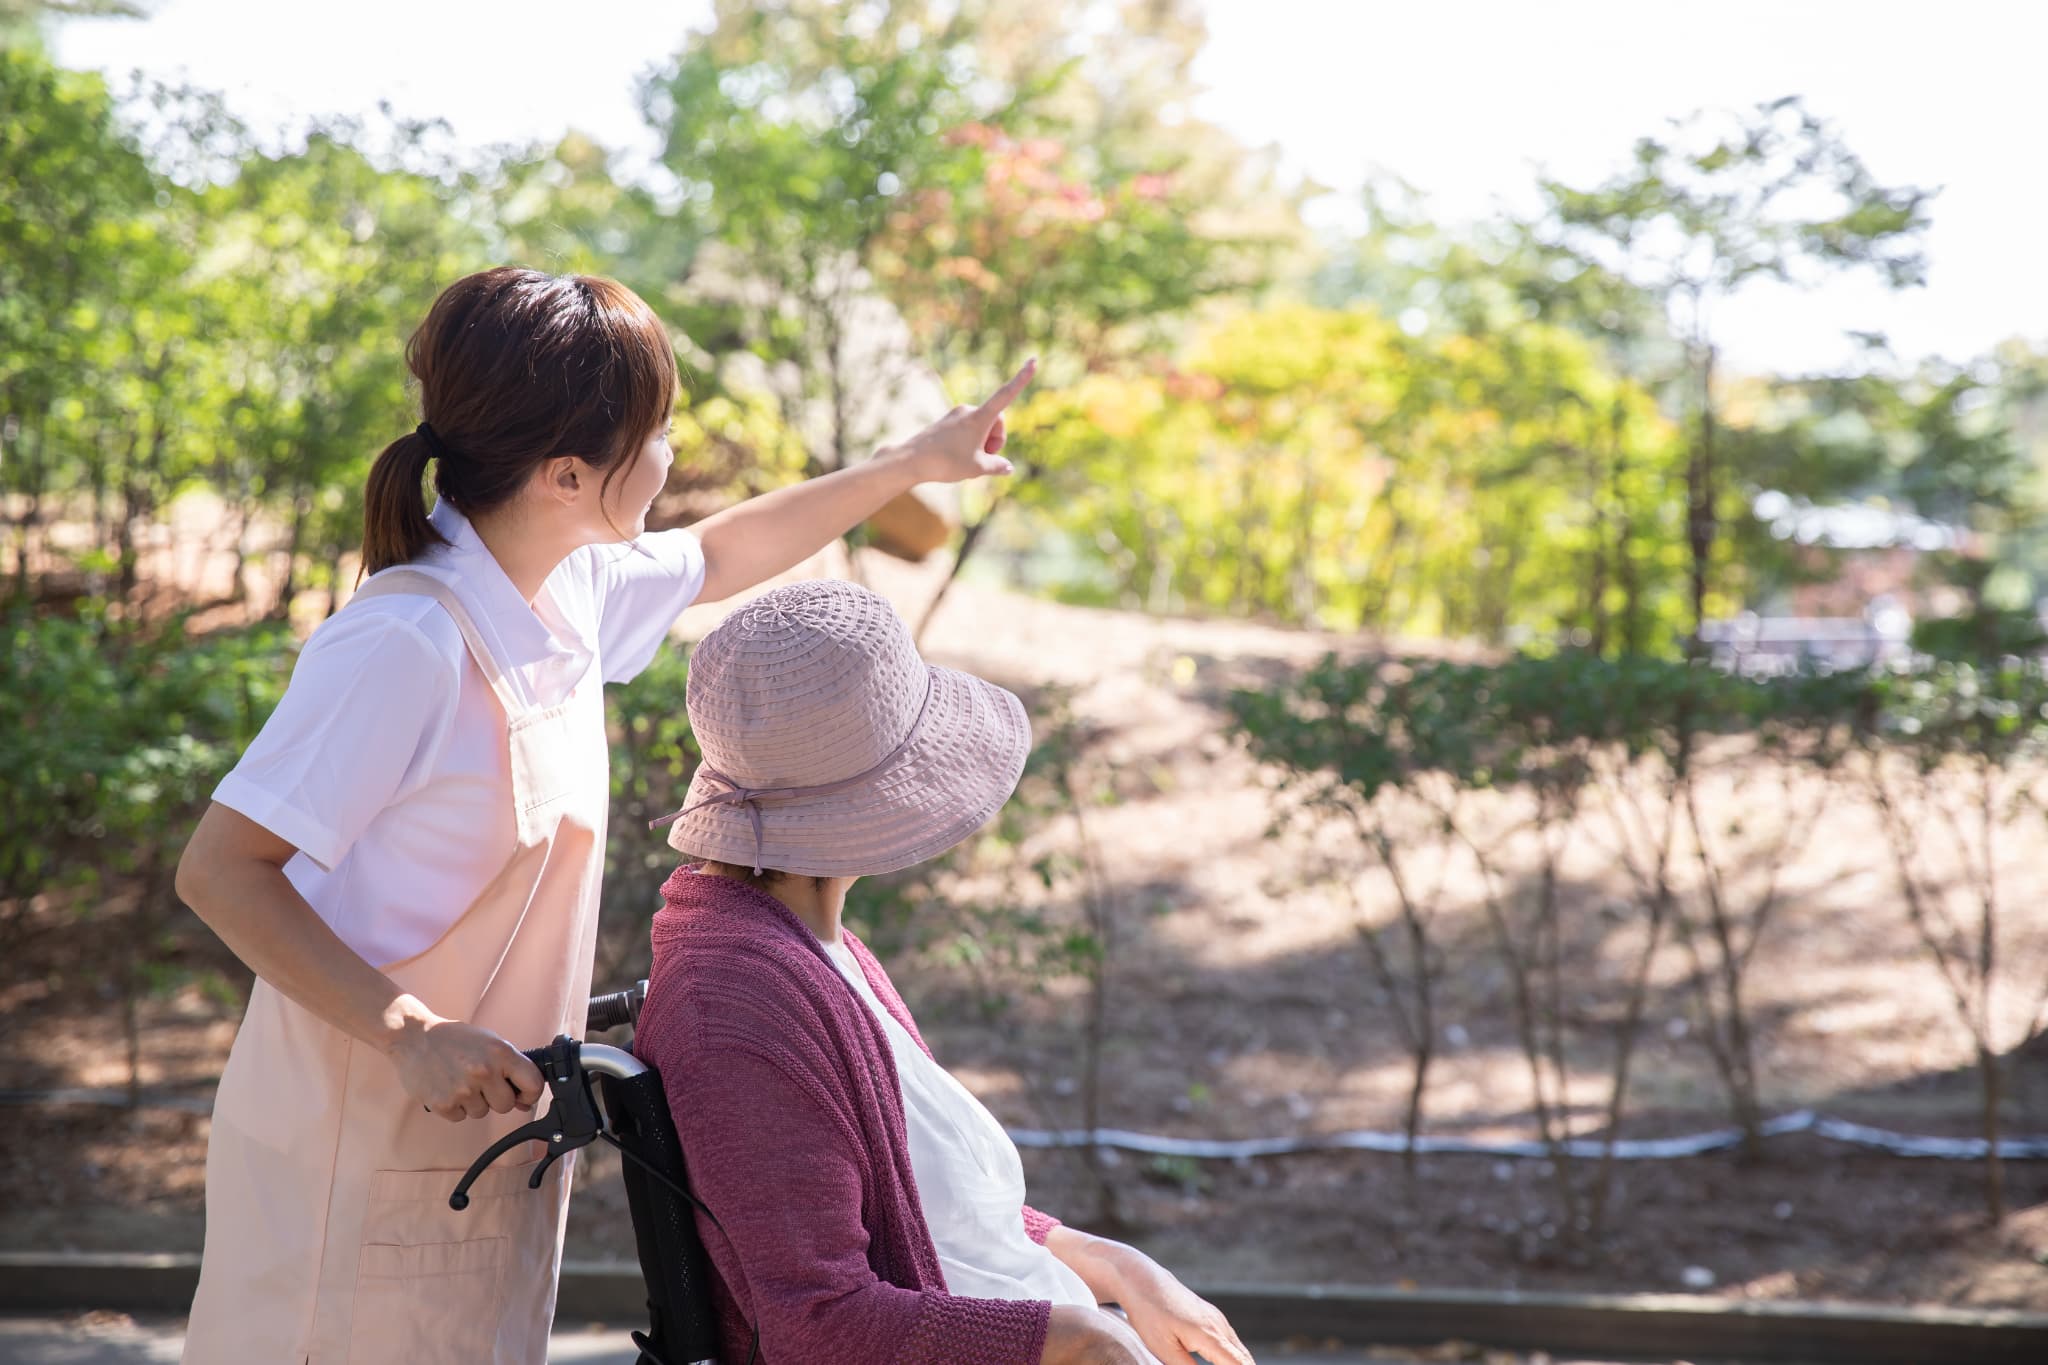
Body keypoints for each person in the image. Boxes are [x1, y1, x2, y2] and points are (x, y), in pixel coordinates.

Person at [172, 266, 1034, 1364]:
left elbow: (722, 553)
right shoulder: (405, 645)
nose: (672, 452)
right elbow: (222, 869)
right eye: (658, 429)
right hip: (353, 1144)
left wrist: (914, 463)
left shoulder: (566, 588)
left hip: (481, 1145)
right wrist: (410, 1035)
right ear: (570, 473)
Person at [637, 578, 1256, 1365]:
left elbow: (940, 1209)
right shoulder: (737, 1002)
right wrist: (1080, 1338)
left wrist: (1123, 1269)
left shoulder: (805, 946)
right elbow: (817, 1324)